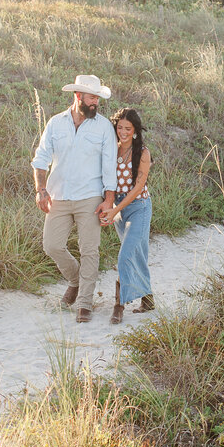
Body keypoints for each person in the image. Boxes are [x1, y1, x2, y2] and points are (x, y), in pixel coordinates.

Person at [32, 74, 117, 323]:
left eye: (98, 99)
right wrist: (41, 190)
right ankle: (76, 281)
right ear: (77, 96)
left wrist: (108, 200)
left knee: (89, 250)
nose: (96, 103)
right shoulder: (56, 123)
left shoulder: (103, 127)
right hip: (58, 196)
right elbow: (40, 159)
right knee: (52, 245)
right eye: (92, 98)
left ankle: (84, 303)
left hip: (90, 197)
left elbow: (109, 166)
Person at [99, 107, 154, 324]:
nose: (123, 132)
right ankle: (148, 299)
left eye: (128, 128)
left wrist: (115, 209)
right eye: (120, 127)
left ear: (135, 130)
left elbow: (138, 187)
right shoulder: (111, 149)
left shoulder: (143, 152)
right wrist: (108, 206)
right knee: (137, 253)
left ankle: (119, 304)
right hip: (118, 208)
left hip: (139, 206)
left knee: (125, 254)